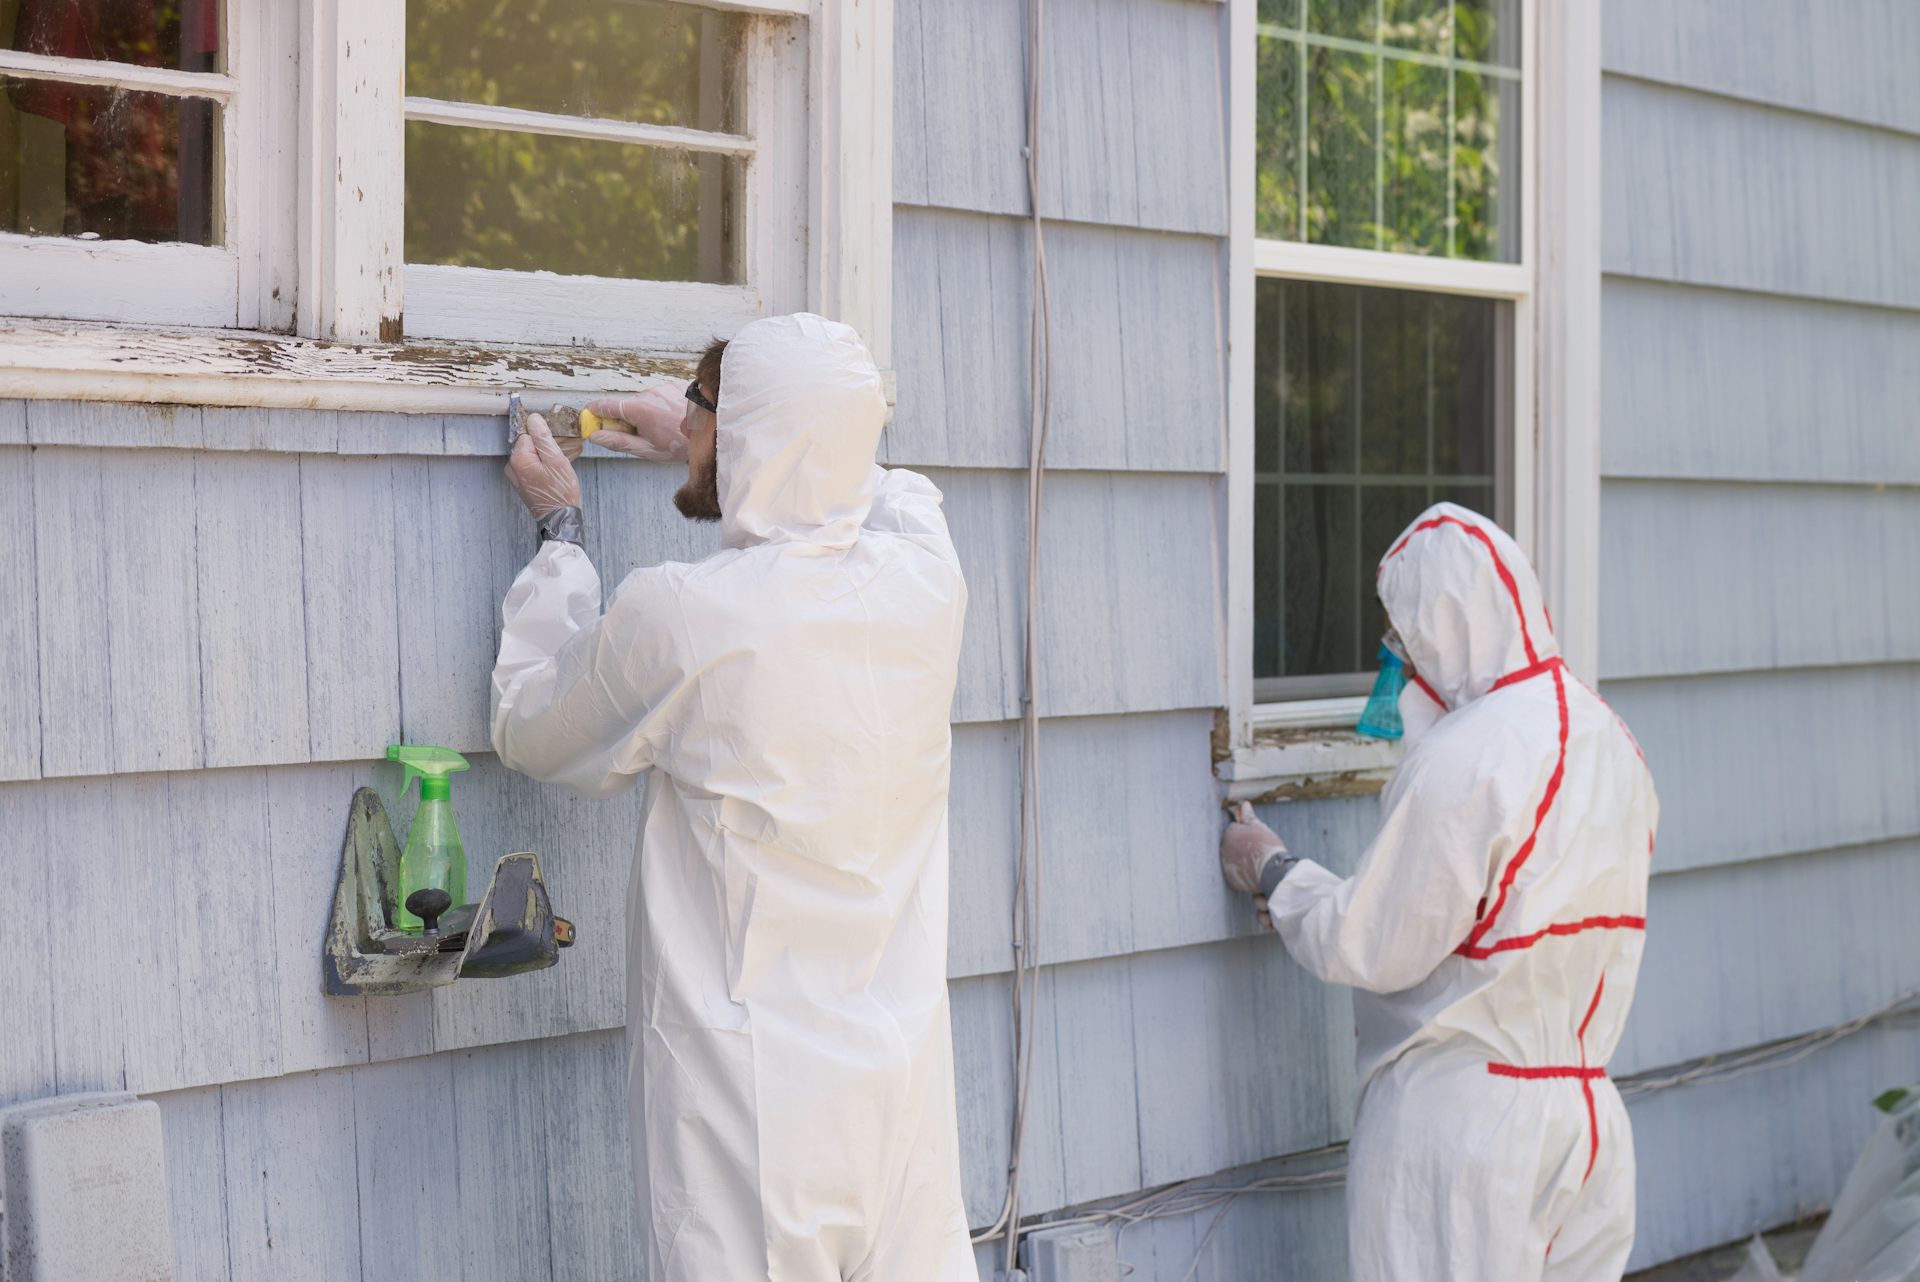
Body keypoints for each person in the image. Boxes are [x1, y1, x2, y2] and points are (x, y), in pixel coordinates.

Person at [491, 313, 975, 1281]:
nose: (690, 423)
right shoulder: (929, 579)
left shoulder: (688, 614)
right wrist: (718, 437)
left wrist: (561, 535)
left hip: (752, 1110)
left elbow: (533, 725)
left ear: (745, 433)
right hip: (897, 1094)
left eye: (703, 411)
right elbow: (865, 478)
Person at [1221, 502, 1658, 1281]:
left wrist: (1275, 870)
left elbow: (1371, 941)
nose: (1398, 656)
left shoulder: (1471, 755)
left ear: (1444, 625)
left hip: (1464, 1130)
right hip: (1588, 1123)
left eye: (1403, 633)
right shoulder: (1610, 740)